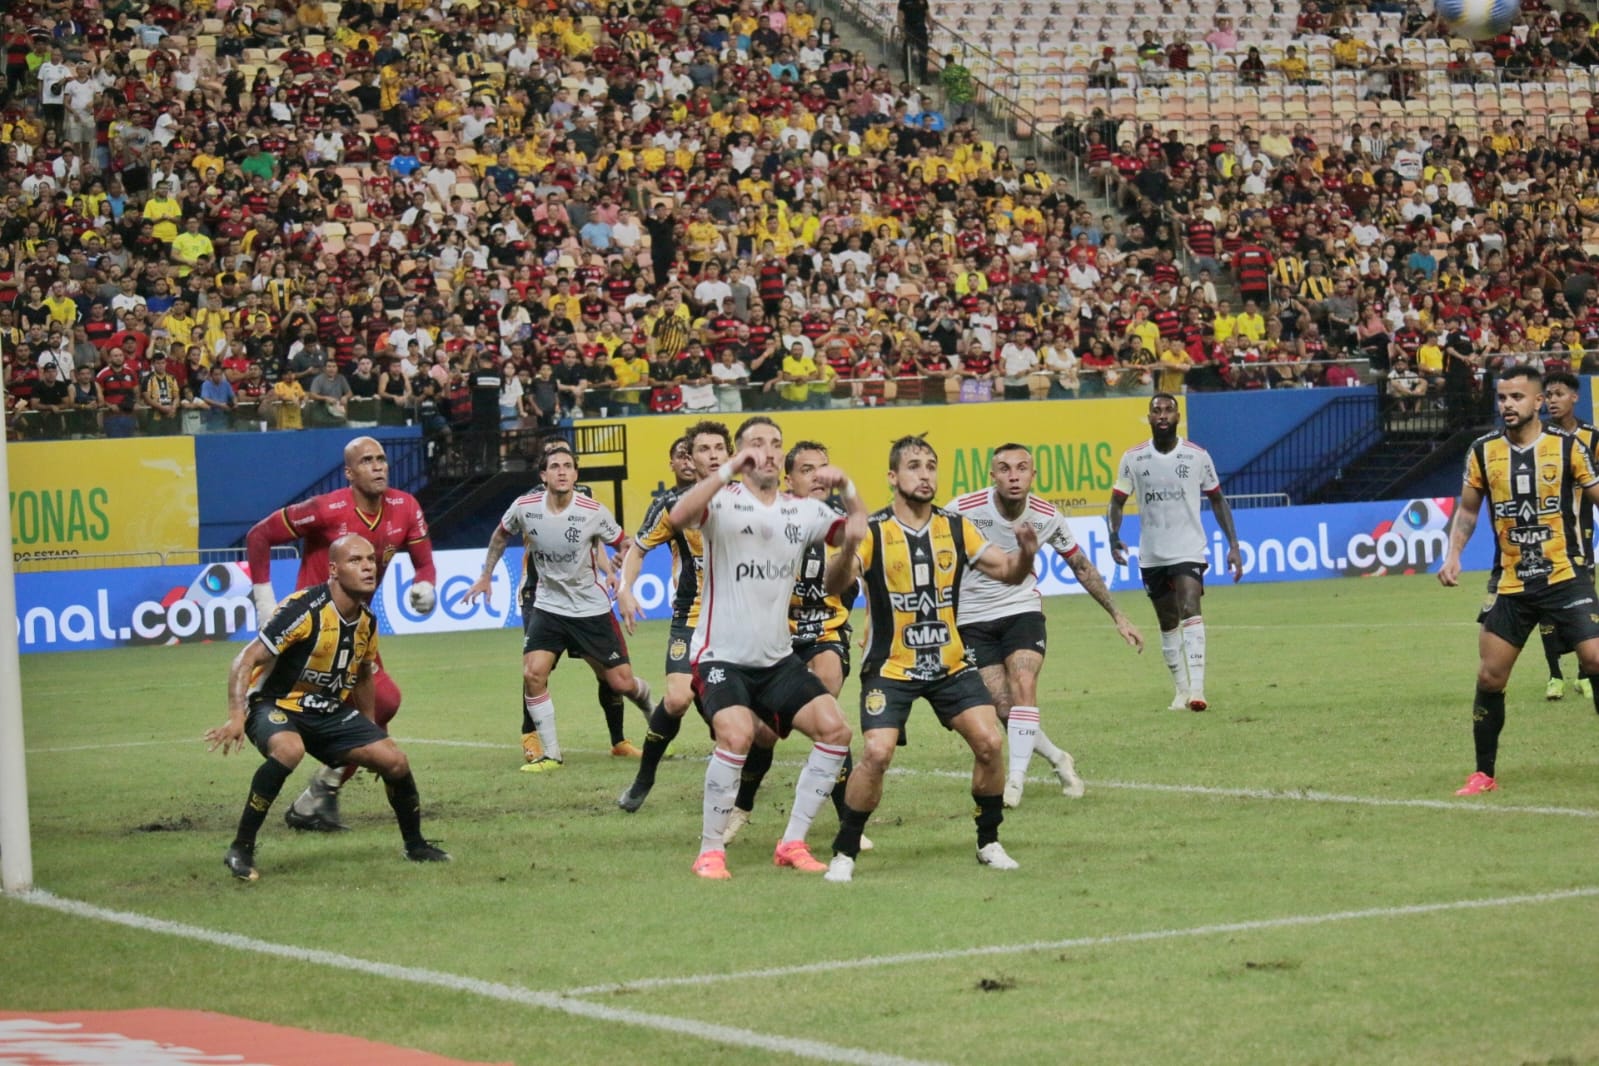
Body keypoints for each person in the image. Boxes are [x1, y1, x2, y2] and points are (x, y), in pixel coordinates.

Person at [823, 435, 1039, 883]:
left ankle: (989, 841)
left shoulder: (956, 527)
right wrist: (847, 546)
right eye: (915, 466)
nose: (925, 474)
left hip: (951, 665)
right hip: (891, 666)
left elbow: (1008, 572)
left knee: (990, 743)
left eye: (931, 466)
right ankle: (845, 850)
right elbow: (833, 584)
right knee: (877, 754)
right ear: (892, 477)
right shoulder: (875, 530)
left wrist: (1027, 553)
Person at [666, 415, 868, 879]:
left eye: (775, 443)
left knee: (835, 732)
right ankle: (710, 850)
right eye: (757, 443)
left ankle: (792, 841)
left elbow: (854, 530)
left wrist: (849, 488)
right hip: (720, 655)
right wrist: (729, 466)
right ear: (741, 453)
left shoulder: (805, 510)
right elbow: (678, 517)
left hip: (776, 658)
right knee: (736, 736)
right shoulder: (722, 501)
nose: (769, 451)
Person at [204, 535, 449, 881]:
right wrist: (236, 716)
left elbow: (363, 674)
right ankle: (241, 848)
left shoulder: (366, 621)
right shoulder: (303, 610)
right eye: (355, 560)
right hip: (275, 704)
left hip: (325, 711)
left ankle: (416, 845)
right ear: (333, 570)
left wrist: (369, 728)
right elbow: (245, 660)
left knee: (394, 760)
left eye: (370, 559)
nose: (368, 566)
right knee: (290, 749)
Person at [244, 436, 437, 831]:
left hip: (355, 631)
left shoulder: (405, 507)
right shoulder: (325, 509)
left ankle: (321, 794)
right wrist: (264, 599)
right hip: (310, 634)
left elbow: (425, 562)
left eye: (381, 459)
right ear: (349, 473)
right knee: (352, 709)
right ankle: (314, 790)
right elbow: (258, 536)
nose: (378, 466)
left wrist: (426, 586)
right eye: (367, 461)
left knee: (383, 703)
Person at [948, 443, 1144, 808]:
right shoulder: (962, 509)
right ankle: (1058, 758)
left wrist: (1118, 615)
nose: (1014, 475)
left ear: (1033, 475)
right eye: (1005, 468)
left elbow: (1080, 566)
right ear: (992, 476)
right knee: (1005, 710)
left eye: (1022, 468)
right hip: (971, 618)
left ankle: (1015, 782)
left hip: (1022, 609)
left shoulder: (1046, 515)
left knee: (1024, 683)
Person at [1440, 366, 1599, 795]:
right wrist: (1453, 554)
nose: (1507, 404)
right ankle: (1483, 774)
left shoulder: (1568, 448)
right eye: (1502, 397)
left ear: (1537, 402)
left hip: (1566, 575)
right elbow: (1470, 511)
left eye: (1516, 397)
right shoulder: (1482, 451)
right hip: (1510, 582)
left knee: (1596, 658)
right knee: (1491, 677)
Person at [719, 440, 870, 851]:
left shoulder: (839, 526)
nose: (818, 476)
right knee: (764, 734)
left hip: (825, 632)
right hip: (776, 641)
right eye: (807, 469)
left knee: (828, 702)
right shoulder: (767, 519)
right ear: (789, 479)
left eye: (824, 468)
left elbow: (862, 570)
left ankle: (848, 821)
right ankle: (742, 806)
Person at [464, 443, 653, 770]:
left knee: (620, 683)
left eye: (568, 466)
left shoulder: (591, 509)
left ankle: (652, 709)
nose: (562, 471)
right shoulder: (525, 507)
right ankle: (551, 754)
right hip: (548, 606)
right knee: (533, 673)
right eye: (555, 466)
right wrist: (485, 576)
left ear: (576, 474)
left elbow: (624, 542)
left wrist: (620, 576)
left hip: (589, 608)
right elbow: (499, 535)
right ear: (543, 475)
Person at [615, 425, 728, 811]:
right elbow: (639, 548)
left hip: (739, 621)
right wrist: (624, 589)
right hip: (693, 616)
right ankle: (644, 778)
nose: (713, 456)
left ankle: (737, 783)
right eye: (703, 450)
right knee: (678, 698)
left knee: (736, 721)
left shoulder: (751, 500)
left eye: (720, 449)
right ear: (689, 459)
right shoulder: (672, 506)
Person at [1107, 394, 1243, 712]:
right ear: (1150, 418)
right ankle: (1181, 690)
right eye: (1157, 411)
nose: (1163, 415)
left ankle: (1197, 689)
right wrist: (1114, 536)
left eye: (1168, 410)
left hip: (1189, 548)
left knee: (1190, 605)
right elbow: (1116, 501)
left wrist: (1233, 545)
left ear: (1178, 416)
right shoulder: (1133, 457)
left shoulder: (1197, 456)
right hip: (1152, 553)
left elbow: (1218, 499)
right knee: (1167, 621)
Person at [1536, 370, 1599, 702]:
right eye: (1548, 395)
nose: (1552, 400)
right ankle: (1554, 675)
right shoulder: (1538, 436)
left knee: (1583, 606)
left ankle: (1584, 675)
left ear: (1575, 397)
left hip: (1581, 535)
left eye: (1558, 393)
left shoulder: (1592, 437)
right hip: (1543, 537)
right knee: (1547, 608)